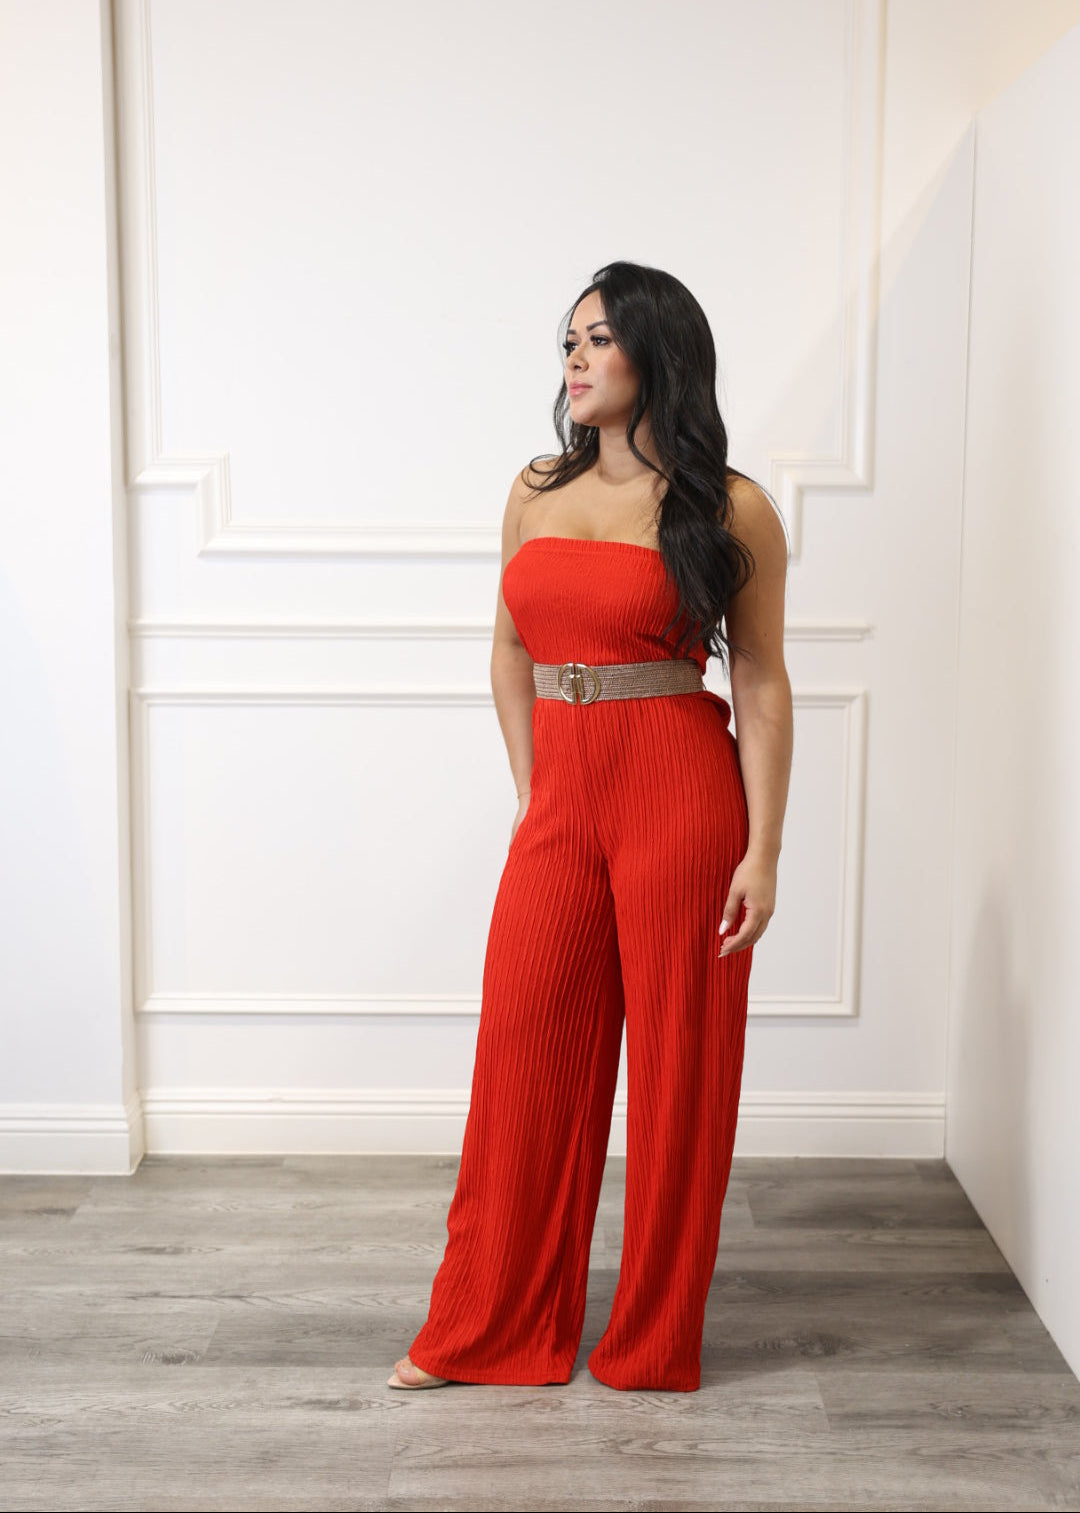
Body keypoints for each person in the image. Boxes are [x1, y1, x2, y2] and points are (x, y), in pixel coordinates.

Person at [388, 259, 793, 1392]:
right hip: (565, 801)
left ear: (657, 352)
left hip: (681, 794)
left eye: (598, 338)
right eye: (568, 340)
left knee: (678, 1075)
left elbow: (761, 682)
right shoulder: (534, 489)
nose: (574, 358)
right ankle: (485, 1326)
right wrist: (535, 793)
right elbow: (509, 650)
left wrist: (763, 850)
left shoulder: (729, 507)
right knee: (523, 1057)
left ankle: (651, 1342)